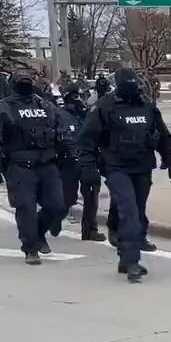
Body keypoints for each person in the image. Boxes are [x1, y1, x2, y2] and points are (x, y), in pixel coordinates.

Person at [77, 67, 171, 282]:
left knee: (136, 210)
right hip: (116, 167)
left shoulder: (147, 106)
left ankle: (124, 251)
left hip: (142, 167)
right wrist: (87, 169)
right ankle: (132, 260)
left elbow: (162, 136)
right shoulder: (105, 106)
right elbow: (86, 140)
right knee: (130, 210)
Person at [0, 70, 71, 263]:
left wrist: (70, 151)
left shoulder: (45, 105)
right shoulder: (1, 108)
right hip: (19, 166)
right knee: (26, 208)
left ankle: (39, 233)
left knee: (57, 205)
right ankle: (30, 248)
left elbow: (62, 129)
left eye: (28, 79)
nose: (26, 82)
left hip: (47, 163)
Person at [57, 84, 105, 242]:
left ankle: (90, 230)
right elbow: (62, 137)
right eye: (76, 96)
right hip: (68, 162)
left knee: (92, 194)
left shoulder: (87, 115)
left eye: (81, 96)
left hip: (87, 161)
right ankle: (52, 219)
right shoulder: (60, 115)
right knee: (68, 198)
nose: (80, 100)